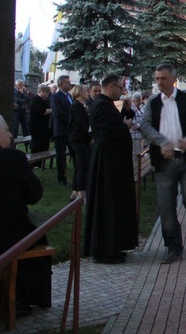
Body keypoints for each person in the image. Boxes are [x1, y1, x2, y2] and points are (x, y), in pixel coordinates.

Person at [141, 63, 186, 264]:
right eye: (157, 78)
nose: (160, 82)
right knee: (166, 206)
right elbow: (145, 125)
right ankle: (173, 246)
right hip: (163, 161)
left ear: (173, 79)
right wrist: (161, 142)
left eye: (164, 78)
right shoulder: (153, 102)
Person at [0, 114, 52, 314]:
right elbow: (34, 194)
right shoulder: (12, 158)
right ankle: (20, 300)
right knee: (34, 239)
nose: (11, 135)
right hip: (5, 235)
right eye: (8, 131)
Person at [83, 74, 138, 264]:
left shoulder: (104, 105)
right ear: (111, 87)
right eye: (121, 87)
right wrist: (125, 126)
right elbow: (108, 132)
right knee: (108, 203)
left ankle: (114, 245)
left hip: (112, 161)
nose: (122, 91)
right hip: (107, 163)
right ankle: (106, 249)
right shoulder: (102, 106)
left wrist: (123, 120)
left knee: (115, 203)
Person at [68, 84, 91, 202]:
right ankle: (81, 193)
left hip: (80, 138)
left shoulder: (81, 106)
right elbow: (80, 124)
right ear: (80, 93)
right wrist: (89, 138)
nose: (87, 93)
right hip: (78, 139)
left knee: (79, 165)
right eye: (86, 91)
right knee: (82, 165)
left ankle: (74, 191)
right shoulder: (77, 106)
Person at [50, 75, 73, 186]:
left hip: (71, 130)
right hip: (61, 130)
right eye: (67, 82)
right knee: (61, 154)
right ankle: (61, 178)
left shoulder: (70, 96)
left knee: (73, 151)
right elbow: (58, 113)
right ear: (60, 84)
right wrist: (72, 121)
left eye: (69, 82)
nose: (69, 84)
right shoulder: (56, 97)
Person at [29, 83, 52, 163]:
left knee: (44, 145)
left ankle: (41, 162)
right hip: (37, 127)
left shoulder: (44, 101)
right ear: (41, 91)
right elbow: (42, 111)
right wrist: (52, 110)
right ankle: (35, 162)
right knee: (37, 145)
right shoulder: (36, 100)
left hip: (44, 127)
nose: (47, 94)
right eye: (46, 92)